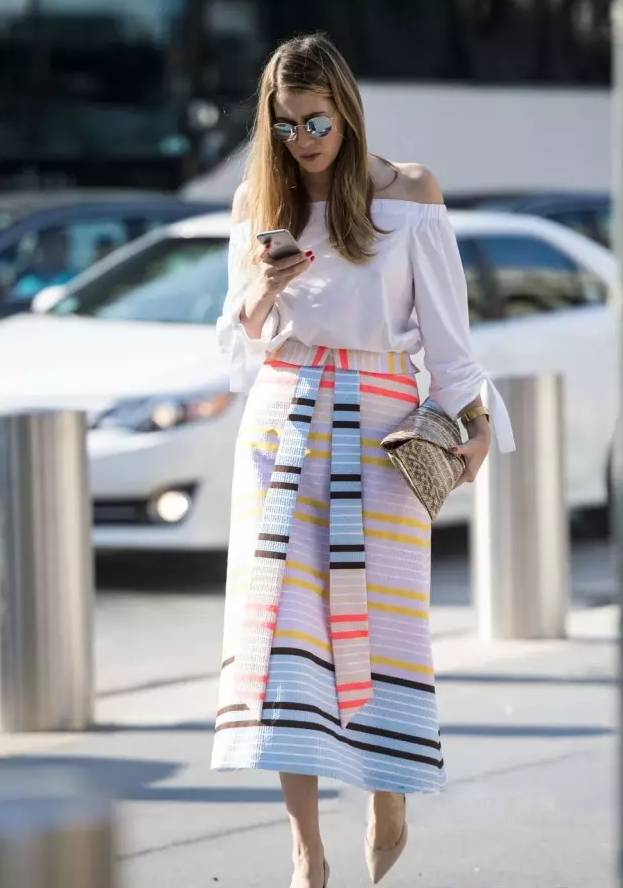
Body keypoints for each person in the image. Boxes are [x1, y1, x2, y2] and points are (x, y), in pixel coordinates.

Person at [210, 32, 516, 888]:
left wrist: (473, 422)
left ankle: (388, 794)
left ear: (345, 111)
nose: (302, 140)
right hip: (280, 424)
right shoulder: (255, 201)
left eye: (316, 121)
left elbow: (448, 339)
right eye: (285, 126)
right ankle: (305, 849)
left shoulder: (408, 194)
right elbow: (239, 347)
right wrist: (265, 286)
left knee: (382, 624)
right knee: (280, 633)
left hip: (381, 431)